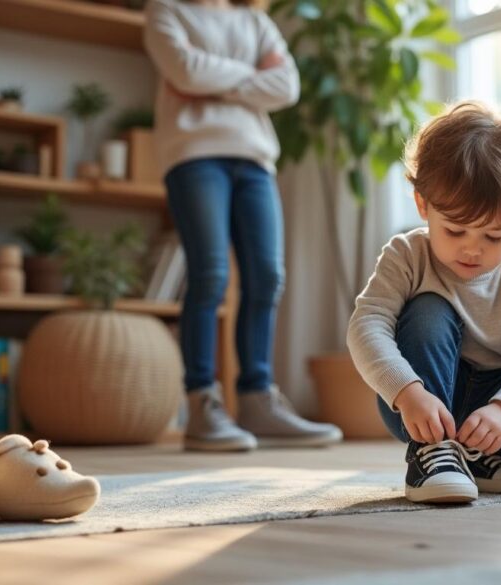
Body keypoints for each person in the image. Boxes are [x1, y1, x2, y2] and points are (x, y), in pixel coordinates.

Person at [347, 101, 501, 503]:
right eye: (456, 230)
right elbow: (366, 324)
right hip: (418, 400)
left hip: (494, 404)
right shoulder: (406, 255)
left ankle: (476, 457)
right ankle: (431, 453)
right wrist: (408, 392)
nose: (472, 250)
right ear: (423, 205)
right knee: (429, 308)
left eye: (494, 236)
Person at [144, 0, 342, 451]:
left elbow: (285, 85)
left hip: (254, 159)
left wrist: (212, 81)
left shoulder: (256, 21)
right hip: (193, 157)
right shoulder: (165, 12)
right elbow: (184, 71)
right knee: (210, 275)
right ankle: (203, 405)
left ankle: (257, 401)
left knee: (267, 277)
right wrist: (249, 77)